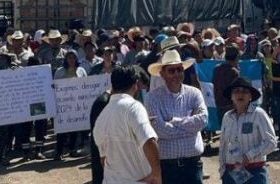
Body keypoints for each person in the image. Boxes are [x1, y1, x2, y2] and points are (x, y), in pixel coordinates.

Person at [145, 50, 208, 183]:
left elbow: (203, 120)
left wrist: (174, 121)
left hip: (193, 165)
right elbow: (159, 130)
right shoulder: (152, 97)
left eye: (179, 69)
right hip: (168, 167)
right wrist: (190, 127)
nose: (177, 74)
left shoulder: (194, 93)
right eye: (172, 70)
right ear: (162, 74)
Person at [94, 65, 161, 184]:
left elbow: (103, 160)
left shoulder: (101, 118)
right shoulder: (134, 107)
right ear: (136, 84)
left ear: (113, 86)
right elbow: (149, 141)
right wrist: (156, 175)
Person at [218, 77, 277, 184]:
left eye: (245, 91)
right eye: (236, 91)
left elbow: (271, 143)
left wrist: (248, 156)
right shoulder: (227, 117)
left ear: (250, 96)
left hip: (255, 172)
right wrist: (222, 170)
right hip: (231, 172)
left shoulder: (258, 114)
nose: (240, 94)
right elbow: (223, 145)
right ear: (231, 96)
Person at [53, 50, 87, 160]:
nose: (71, 60)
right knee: (62, 130)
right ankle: (59, 152)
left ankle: (73, 150)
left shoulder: (81, 71)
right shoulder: (59, 71)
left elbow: (86, 85)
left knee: (74, 128)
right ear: (66, 59)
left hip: (76, 103)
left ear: (76, 59)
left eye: (73, 58)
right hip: (63, 104)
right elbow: (54, 86)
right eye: (69, 58)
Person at [213, 44, 241, 123]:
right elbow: (237, 92)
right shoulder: (234, 72)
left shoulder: (216, 69)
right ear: (236, 57)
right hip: (231, 108)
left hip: (219, 107)